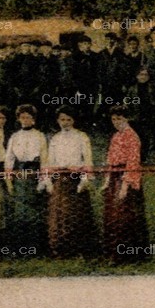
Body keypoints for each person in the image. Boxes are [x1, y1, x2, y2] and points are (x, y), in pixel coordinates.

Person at [43, 108, 97, 258]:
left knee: (76, 213)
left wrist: (84, 179)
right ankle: (60, 249)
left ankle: (80, 249)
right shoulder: (55, 139)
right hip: (60, 178)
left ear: (73, 121)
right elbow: (50, 161)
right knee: (60, 214)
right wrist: (48, 180)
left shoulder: (81, 137)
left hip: (76, 178)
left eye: (68, 120)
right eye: (62, 120)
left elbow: (87, 159)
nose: (65, 123)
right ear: (58, 121)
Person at [102, 110, 148, 262]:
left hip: (126, 178)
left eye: (119, 118)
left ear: (126, 118)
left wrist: (125, 186)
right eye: (113, 119)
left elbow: (133, 162)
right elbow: (110, 158)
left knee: (125, 214)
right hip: (115, 177)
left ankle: (129, 253)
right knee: (112, 214)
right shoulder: (116, 136)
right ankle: (113, 251)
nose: (116, 122)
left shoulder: (132, 137)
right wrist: (107, 180)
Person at [2, 105, 47, 257]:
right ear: (18, 119)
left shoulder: (39, 136)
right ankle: (20, 248)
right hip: (20, 174)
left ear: (33, 120)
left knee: (35, 210)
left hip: (34, 173)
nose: (25, 120)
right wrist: (8, 180)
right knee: (20, 211)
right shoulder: (15, 137)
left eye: (28, 117)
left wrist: (43, 180)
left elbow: (45, 159)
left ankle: (35, 248)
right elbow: (9, 159)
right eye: (22, 117)